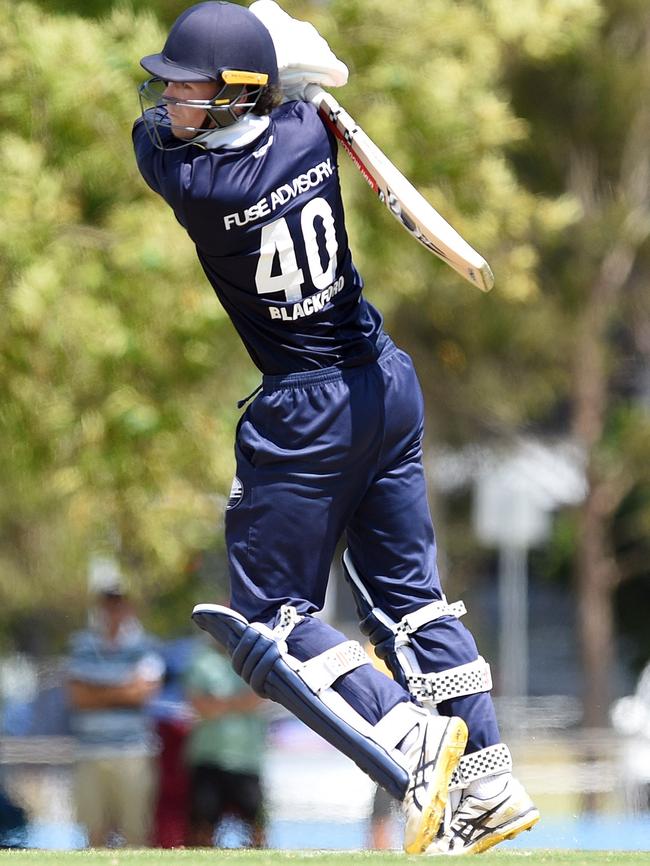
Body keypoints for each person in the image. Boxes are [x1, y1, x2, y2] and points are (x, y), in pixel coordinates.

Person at [132, 0, 539, 854]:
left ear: (239, 95)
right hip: (383, 383)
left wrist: (268, 65)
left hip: (303, 410)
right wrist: (280, 66)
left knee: (269, 616)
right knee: (412, 603)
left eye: (187, 90)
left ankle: (410, 735)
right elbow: (316, 63)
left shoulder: (195, 183)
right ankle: (488, 778)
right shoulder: (304, 132)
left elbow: (181, 131)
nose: (166, 106)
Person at [66, 576, 164, 847]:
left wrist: (98, 690)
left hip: (132, 751)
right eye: (108, 604)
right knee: (94, 834)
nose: (113, 611)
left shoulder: (144, 645)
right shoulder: (82, 644)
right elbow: (77, 697)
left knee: (135, 833)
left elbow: (143, 692)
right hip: (89, 751)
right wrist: (123, 689)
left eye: (118, 604)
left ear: (128, 607)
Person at [184, 638, 267, 847]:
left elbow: (258, 700)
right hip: (209, 756)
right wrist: (238, 702)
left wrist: (220, 703)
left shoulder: (256, 661)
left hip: (247, 758)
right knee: (202, 826)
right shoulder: (202, 661)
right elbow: (200, 705)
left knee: (256, 827)